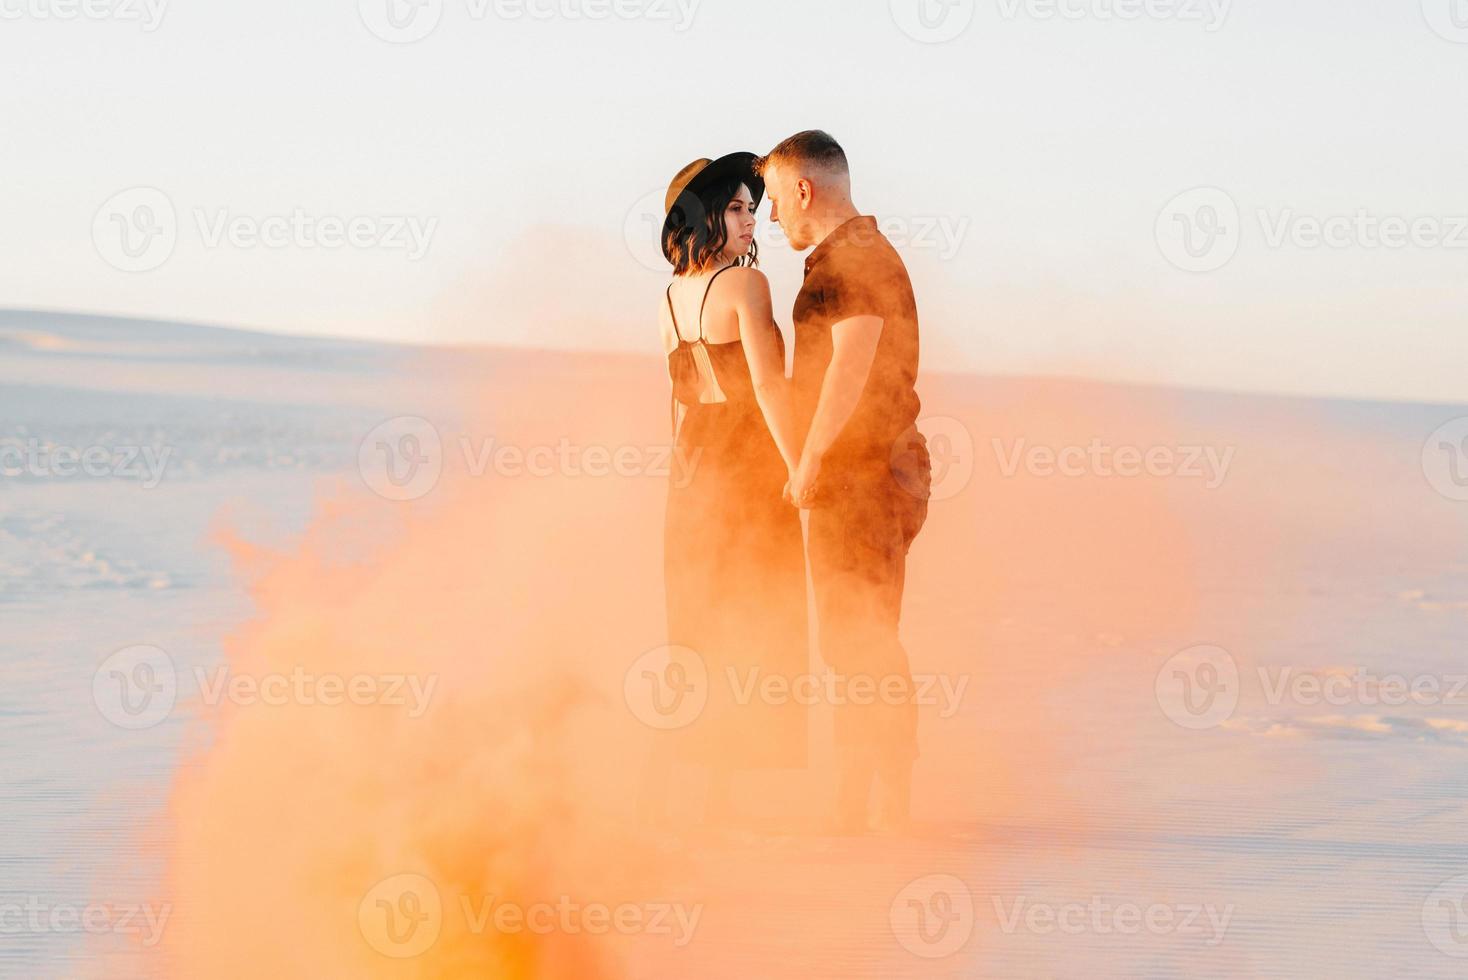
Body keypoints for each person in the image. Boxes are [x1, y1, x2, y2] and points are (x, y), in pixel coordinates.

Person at [758, 131, 932, 833]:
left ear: (804, 190)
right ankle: (863, 794)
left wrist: (810, 460)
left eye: (773, 200)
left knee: (859, 636)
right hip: (869, 470)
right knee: (856, 636)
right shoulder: (851, 253)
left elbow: (851, 365)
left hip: (863, 474)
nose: (771, 220)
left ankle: (876, 802)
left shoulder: (855, 258)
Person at [641, 152, 809, 827]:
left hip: (691, 472)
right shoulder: (747, 287)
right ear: (706, 217)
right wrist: (802, 464)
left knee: (700, 620)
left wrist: (679, 475)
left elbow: (676, 401)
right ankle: (735, 792)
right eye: (737, 208)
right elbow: (769, 386)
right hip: (747, 466)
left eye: (748, 207)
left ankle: (706, 789)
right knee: (761, 613)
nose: (749, 219)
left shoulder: (669, 299)